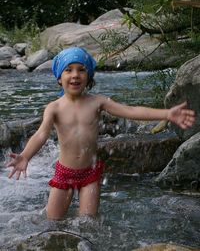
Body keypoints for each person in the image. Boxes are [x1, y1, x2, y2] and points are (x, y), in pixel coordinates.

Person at [6, 47, 195, 220]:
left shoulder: (97, 102)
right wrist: (25, 156)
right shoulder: (54, 108)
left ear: (89, 76)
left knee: (88, 223)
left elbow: (131, 111)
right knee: (52, 222)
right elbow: (41, 134)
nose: (75, 75)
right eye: (68, 69)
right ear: (58, 77)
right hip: (64, 173)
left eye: (81, 69)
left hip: (90, 173)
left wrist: (167, 114)